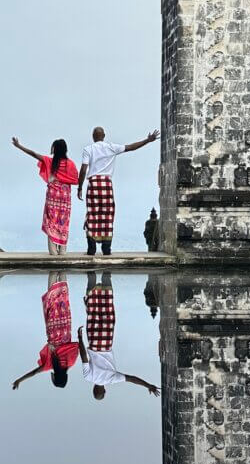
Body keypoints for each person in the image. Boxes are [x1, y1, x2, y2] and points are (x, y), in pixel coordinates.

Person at [77, 126, 160, 255]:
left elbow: (83, 170)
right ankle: (106, 248)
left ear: (93, 137)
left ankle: (91, 248)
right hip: (106, 184)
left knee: (92, 214)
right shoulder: (111, 147)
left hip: (93, 184)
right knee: (107, 215)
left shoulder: (88, 149)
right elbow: (131, 147)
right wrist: (147, 140)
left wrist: (80, 187)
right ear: (104, 136)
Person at [77, 272, 160, 401]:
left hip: (107, 341)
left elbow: (131, 379)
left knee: (108, 310)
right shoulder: (88, 377)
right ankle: (91, 275)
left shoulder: (111, 379)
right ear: (93, 388)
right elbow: (83, 357)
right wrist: (79, 339)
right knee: (93, 312)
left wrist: (148, 385)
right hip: (93, 342)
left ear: (104, 390)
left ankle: (107, 275)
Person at [12, 136, 80, 254]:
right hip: (64, 197)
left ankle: (53, 251)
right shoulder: (71, 164)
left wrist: (19, 146)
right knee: (63, 221)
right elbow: (75, 178)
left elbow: (33, 153)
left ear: (55, 149)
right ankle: (62, 250)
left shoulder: (50, 161)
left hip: (52, 196)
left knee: (51, 221)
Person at [12, 273, 80, 391]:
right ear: (54, 377)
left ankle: (62, 264)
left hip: (65, 327)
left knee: (63, 297)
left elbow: (76, 346)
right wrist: (19, 380)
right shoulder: (49, 365)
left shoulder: (71, 361)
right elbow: (33, 373)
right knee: (51, 298)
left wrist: (62, 346)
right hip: (52, 329)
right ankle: (54, 268)